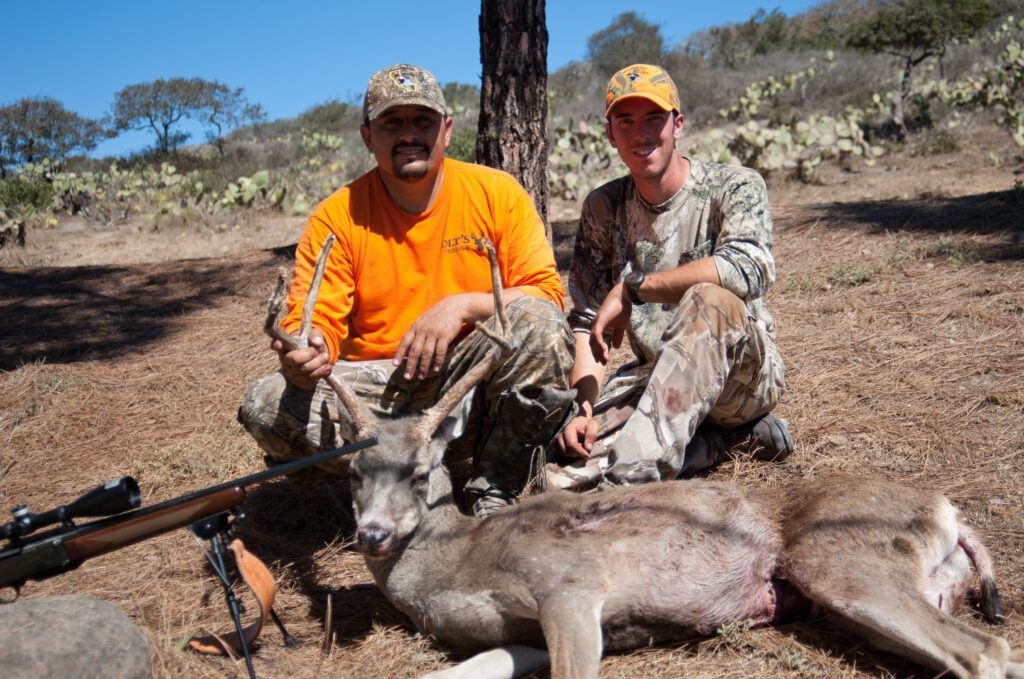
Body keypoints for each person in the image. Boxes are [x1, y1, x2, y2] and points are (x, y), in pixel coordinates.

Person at [239, 64, 575, 516]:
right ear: (367, 136)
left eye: (423, 121)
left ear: (447, 130)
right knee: (265, 406)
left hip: (471, 386)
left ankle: (493, 488)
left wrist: (461, 307)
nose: (409, 134)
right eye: (392, 123)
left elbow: (546, 295)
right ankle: (390, 471)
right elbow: (314, 322)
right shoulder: (337, 218)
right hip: (381, 396)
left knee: (543, 328)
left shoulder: (497, 194)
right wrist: (307, 354)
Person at [555, 64, 793, 487]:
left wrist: (635, 290)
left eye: (654, 118)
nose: (640, 133)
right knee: (567, 469)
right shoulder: (603, 207)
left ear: (677, 124)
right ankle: (721, 443)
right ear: (610, 134)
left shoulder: (733, 186)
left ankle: (632, 481)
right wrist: (583, 410)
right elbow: (589, 323)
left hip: (742, 379)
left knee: (710, 298)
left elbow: (748, 268)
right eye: (625, 121)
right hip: (661, 376)